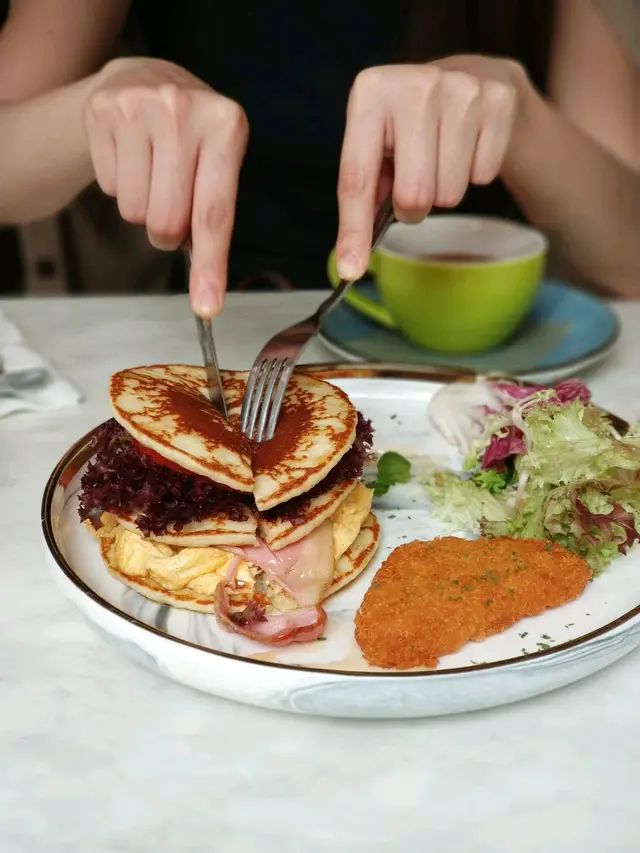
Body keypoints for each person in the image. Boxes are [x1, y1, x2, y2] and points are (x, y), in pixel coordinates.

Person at [0, 0, 638, 317]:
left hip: (484, 359)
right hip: (224, 324)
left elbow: (631, 261)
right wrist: (93, 108)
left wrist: (525, 123)